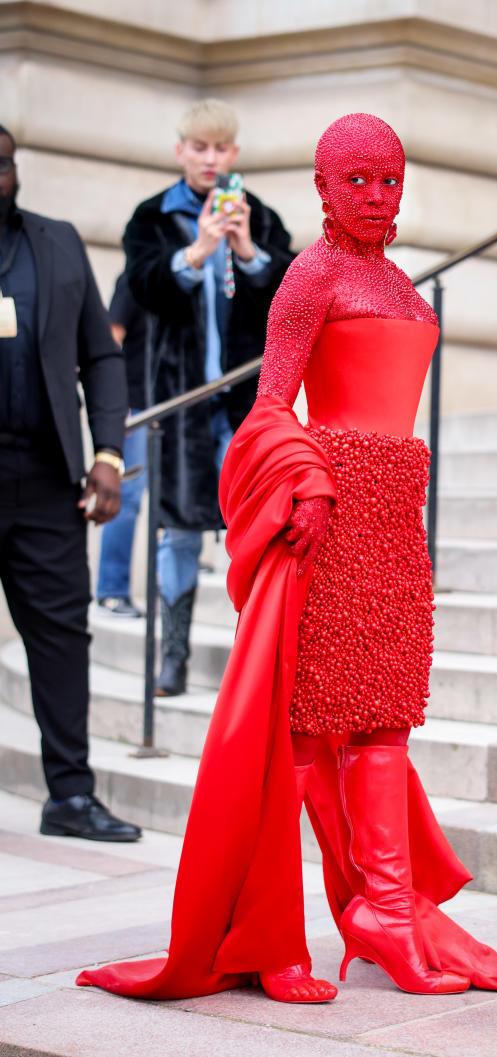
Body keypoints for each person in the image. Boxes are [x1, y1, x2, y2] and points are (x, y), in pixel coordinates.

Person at [77, 114, 497, 1003]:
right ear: (323, 188)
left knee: (383, 722)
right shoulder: (309, 275)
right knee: (302, 735)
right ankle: (279, 935)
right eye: (356, 180)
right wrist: (304, 479)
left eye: (389, 179)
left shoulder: (398, 280)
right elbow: (267, 409)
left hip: (396, 522)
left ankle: (386, 915)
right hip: (327, 527)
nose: (375, 195)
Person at [123, 98, 294, 695]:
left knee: (264, 529)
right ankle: (173, 657)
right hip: (183, 405)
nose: (210, 159)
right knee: (179, 530)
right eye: (199, 147)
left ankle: (263, 661)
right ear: (180, 152)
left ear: (235, 155)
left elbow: (291, 294)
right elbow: (142, 288)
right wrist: (197, 249)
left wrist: (247, 250)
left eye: (221, 149)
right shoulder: (151, 217)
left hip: (247, 404)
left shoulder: (261, 216)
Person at [0, 124, 140, 841]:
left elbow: (101, 356)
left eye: (3, 161)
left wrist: (109, 453)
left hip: (46, 477)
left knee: (61, 638)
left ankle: (70, 796)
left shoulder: (56, 244)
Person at [96, 272, 148, 618]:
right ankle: (111, 590)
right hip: (136, 407)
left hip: (168, 404)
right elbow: (111, 341)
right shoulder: (134, 280)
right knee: (126, 498)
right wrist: (116, 407)